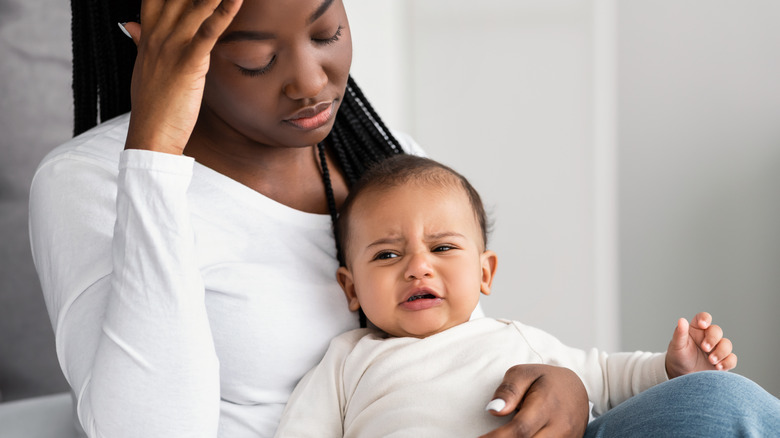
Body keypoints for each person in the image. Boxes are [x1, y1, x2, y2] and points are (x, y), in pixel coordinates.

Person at [29, 0, 589, 437]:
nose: (311, 83)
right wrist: (153, 157)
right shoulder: (90, 182)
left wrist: (566, 389)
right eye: (257, 60)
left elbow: (459, 346)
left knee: (679, 402)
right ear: (151, 41)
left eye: (327, 34)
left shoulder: (379, 156)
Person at [274, 154, 779, 437]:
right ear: (351, 288)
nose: (418, 267)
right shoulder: (348, 361)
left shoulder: (512, 342)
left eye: (443, 247)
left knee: (719, 401)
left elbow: (602, 375)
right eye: (387, 256)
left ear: (485, 272)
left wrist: (671, 372)